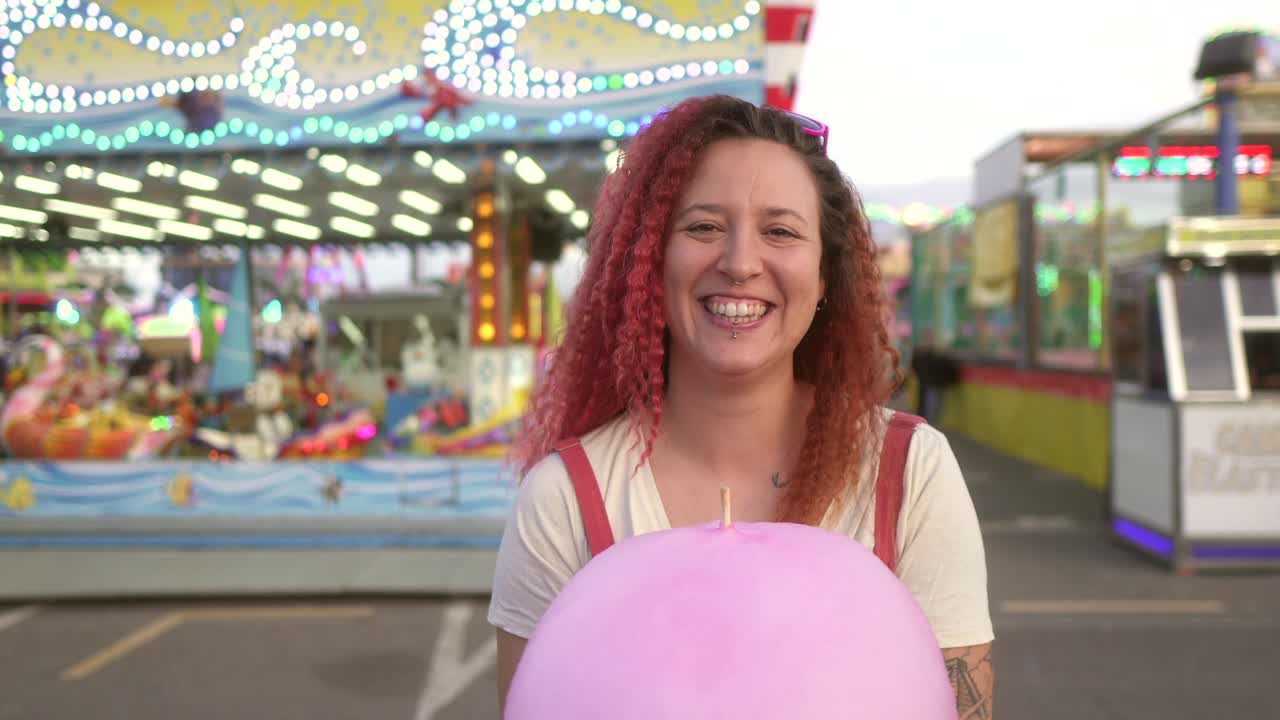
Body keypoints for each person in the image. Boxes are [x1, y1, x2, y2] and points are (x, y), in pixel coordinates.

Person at [488, 95, 994, 718]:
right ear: (651, 262)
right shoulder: (564, 499)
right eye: (703, 227)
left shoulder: (910, 473)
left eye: (780, 231)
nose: (740, 264)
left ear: (825, 276)